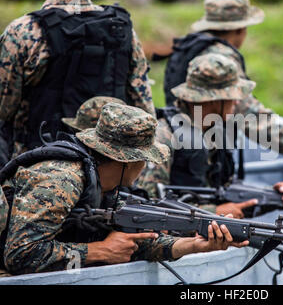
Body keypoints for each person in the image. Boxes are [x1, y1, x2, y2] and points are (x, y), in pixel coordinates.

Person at [0, 103, 247, 275]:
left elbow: (131, 244)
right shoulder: (62, 179)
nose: (145, 166)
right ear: (128, 161)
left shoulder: (105, 184)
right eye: (146, 159)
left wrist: (195, 245)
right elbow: (21, 255)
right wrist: (99, 251)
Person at [160, 0, 283, 161]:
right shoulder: (221, 59)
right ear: (240, 29)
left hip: (185, 146)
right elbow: (249, 115)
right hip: (202, 153)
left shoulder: (188, 48)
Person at [136, 54, 283, 219]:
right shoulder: (164, 137)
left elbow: (221, 191)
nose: (236, 102)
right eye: (232, 96)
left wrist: (275, 194)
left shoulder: (215, 128)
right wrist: (215, 212)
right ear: (213, 100)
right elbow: (146, 208)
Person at [0, 0, 156, 168]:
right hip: (112, 170)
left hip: (39, 170)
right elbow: (144, 106)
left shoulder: (23, 31)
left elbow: (4, 109)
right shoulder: (122, 29)